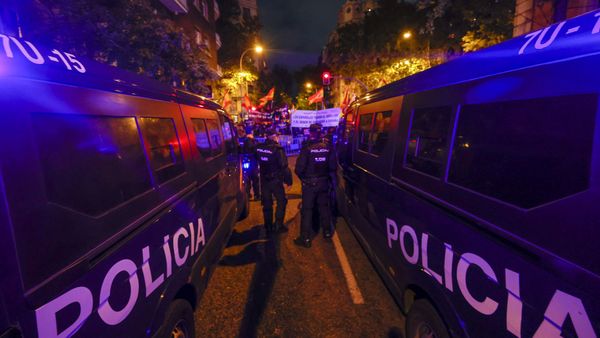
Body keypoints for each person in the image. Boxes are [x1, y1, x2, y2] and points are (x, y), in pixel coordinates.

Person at [294, 123, 337, 248]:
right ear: (320, 132)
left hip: (309, 184)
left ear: (311, 132)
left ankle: (305, 238)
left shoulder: (307, 148)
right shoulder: (328, 147)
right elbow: (332, 167)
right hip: (323, 182)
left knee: (307, 210)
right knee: (324, 207)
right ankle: (327, 232)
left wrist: (304, 180)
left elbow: (299, 169)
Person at [255, 129, 290, 234]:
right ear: (273, 136)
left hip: (264, 180)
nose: (278, 137)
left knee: (267, 203)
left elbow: (256, 159)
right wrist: (288, 180)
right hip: (276, 180)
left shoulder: (259, 148)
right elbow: (284, 166)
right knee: (282, 201)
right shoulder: (278, 149)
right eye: (277, 135)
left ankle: (268, 226)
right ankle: (278, 225)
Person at [242, 133, 260, 200]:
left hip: (247, 163)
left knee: (248, 180)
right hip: (253, 162)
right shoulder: (252, 142)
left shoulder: (244, 142)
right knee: (255, 180)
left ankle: (248, 194)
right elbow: (255, 149)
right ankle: (256, 195)